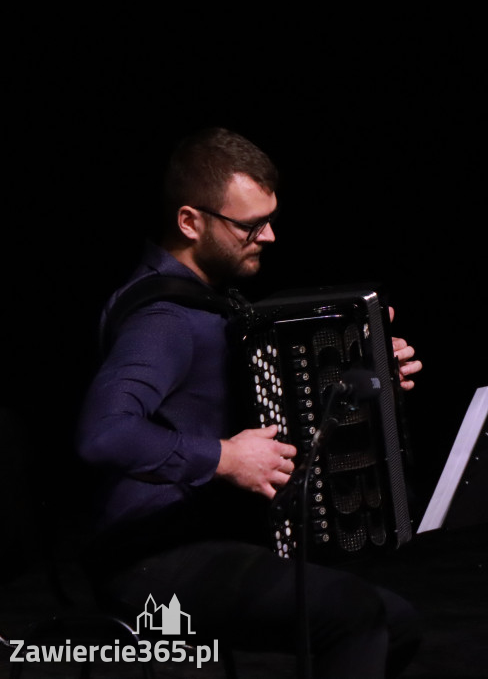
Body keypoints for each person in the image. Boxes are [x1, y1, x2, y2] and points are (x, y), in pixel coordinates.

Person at [76, 127, 423, 678]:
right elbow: (104, 434)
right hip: (147, 560)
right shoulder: (162, 319)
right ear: (190, 221)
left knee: (394, 619)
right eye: (250, 225)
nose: (269, 237)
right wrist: (225, 458)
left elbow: (285, 402)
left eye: (269, 219)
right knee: (355, 616)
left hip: (206, 539)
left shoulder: (209, 306)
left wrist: (372, 376)